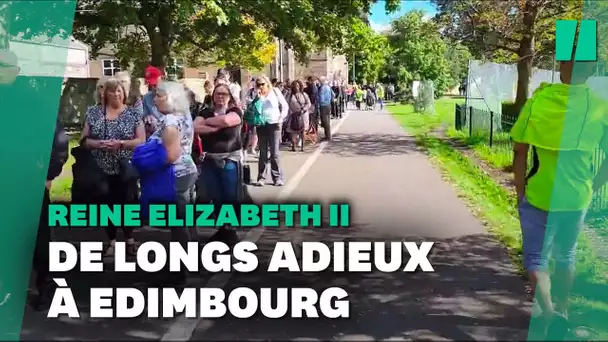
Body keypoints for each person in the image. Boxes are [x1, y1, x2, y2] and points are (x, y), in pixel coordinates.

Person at [510, 56, 605, 339]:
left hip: (539, 196)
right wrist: (593, 186)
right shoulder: (601, 108)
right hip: (576, 198)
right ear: (591, 71)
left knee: (537, 260)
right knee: (566, 255)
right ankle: (563, 310)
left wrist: (519, 192)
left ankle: (549, 312)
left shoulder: (538, 101)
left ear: (561, 65)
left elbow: (519, 152)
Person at [81, 77, 146, 256]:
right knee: (105, 204)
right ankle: (111, 241)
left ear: (124, 93)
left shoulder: (133, 113)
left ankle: (130, 240)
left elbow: (141, 140)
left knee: (127, 203)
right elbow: (83, 139)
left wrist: (122, 144)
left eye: (119, 90)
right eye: (112, 91)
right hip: (100, 167)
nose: (116, 94)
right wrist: (97, 144)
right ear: (105, 94)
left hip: (125, 166)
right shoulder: (94, 112)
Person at [149, 81, 199, 285]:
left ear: (170, 97)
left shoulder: (170, 121)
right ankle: (191, 262)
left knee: (178, 224)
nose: (155, 99)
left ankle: (178, 271)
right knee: (187, 221)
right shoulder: (184, 116)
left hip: (174, 174)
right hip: (187, 171)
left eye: (159, 95)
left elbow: (170, 155)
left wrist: (146, 163)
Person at [194, 83, 244, 244]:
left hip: (230, 159)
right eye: (217, 94)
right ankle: (223, 229)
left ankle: (231, 230)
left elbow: (227, 121)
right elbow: (195, 126)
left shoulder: (235, 111)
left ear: (229, 96)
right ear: (213, 96)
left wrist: (209, 123)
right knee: (215, 196)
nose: (220, 96)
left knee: (230, 195)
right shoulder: (205, 111)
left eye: (224, 94)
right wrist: (215, 126)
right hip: (210, 159)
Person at [31, 119, 69, 311]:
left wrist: (49, 175)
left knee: (40, 240)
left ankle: (47, 287)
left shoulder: (40, 109)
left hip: (33, 182)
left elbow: (60, 145)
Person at [252, 75, 288, 186]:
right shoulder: (255, 94)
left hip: (274, 124)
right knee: (263, 152)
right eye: (258, 85)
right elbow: (251, 108)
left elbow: (284, 105)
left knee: (274, 153)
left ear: (267, 83)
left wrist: (281, 118)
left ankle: (277, 178)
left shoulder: (275, 92)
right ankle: (261, 178)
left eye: (263, 84)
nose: (261, 87)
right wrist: (257, 99)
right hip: (261, 124)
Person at [285, 80, 312, 152]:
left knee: (302, 131)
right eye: (294, 86)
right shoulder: (290, 95)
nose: (296, 88)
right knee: (291, 130)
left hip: (302, 115)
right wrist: (289, 112)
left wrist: (304, 109)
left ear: (300, 86)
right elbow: (286, 104)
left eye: (297, 86)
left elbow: (308, 103)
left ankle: (303, 146)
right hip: (293, 115)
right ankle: (293, 145)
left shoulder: (304, 94)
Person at [142, 65, 164, 138]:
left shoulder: (172, 96)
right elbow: (145, 115)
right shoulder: (147, 97)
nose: (153, 87)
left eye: (155, 84)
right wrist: (147, 117)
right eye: (150, 85)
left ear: (162, 79)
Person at [316, 76, 334, 141]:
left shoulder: (322, 88)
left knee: (325, 121)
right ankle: (327, 135)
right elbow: (333, 95)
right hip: (328, 105)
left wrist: (318, 103)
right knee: (327, 120)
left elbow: (321, 98)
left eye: (319, 81)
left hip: (323, 105)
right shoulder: (328, 87)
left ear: (321, 81)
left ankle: (328, 136)